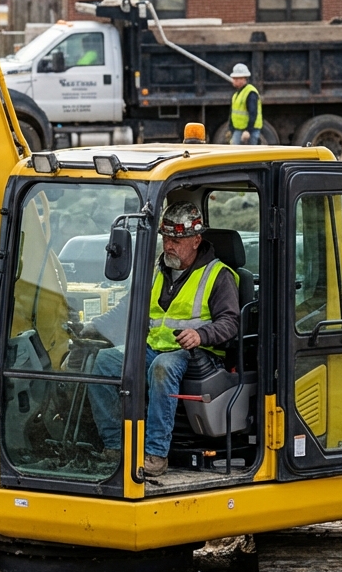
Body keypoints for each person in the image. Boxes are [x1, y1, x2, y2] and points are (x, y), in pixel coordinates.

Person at [85, 202, 240, 477]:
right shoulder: (159, 271)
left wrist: (200, 334)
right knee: (105, 361)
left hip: (200, 354)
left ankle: (156, 453)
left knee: (163, 367)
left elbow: (230, 322)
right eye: (166, 239)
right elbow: (130, 308)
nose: (169, 246)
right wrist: (93, 327)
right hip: (155, 348)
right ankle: (115, 445)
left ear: (196, 240)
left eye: (176, 240)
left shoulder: (218, 275)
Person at [229, 63, 263, 145]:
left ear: (243, 79)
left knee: (250, 155)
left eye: (236, 79)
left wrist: (248, 130)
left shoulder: (250, 93)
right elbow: (233, 113)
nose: (233, 80)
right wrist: (231, 129)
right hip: (239, 129)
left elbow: (253, 113)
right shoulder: (238, 93)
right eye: (233, 78)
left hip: (250, 131)